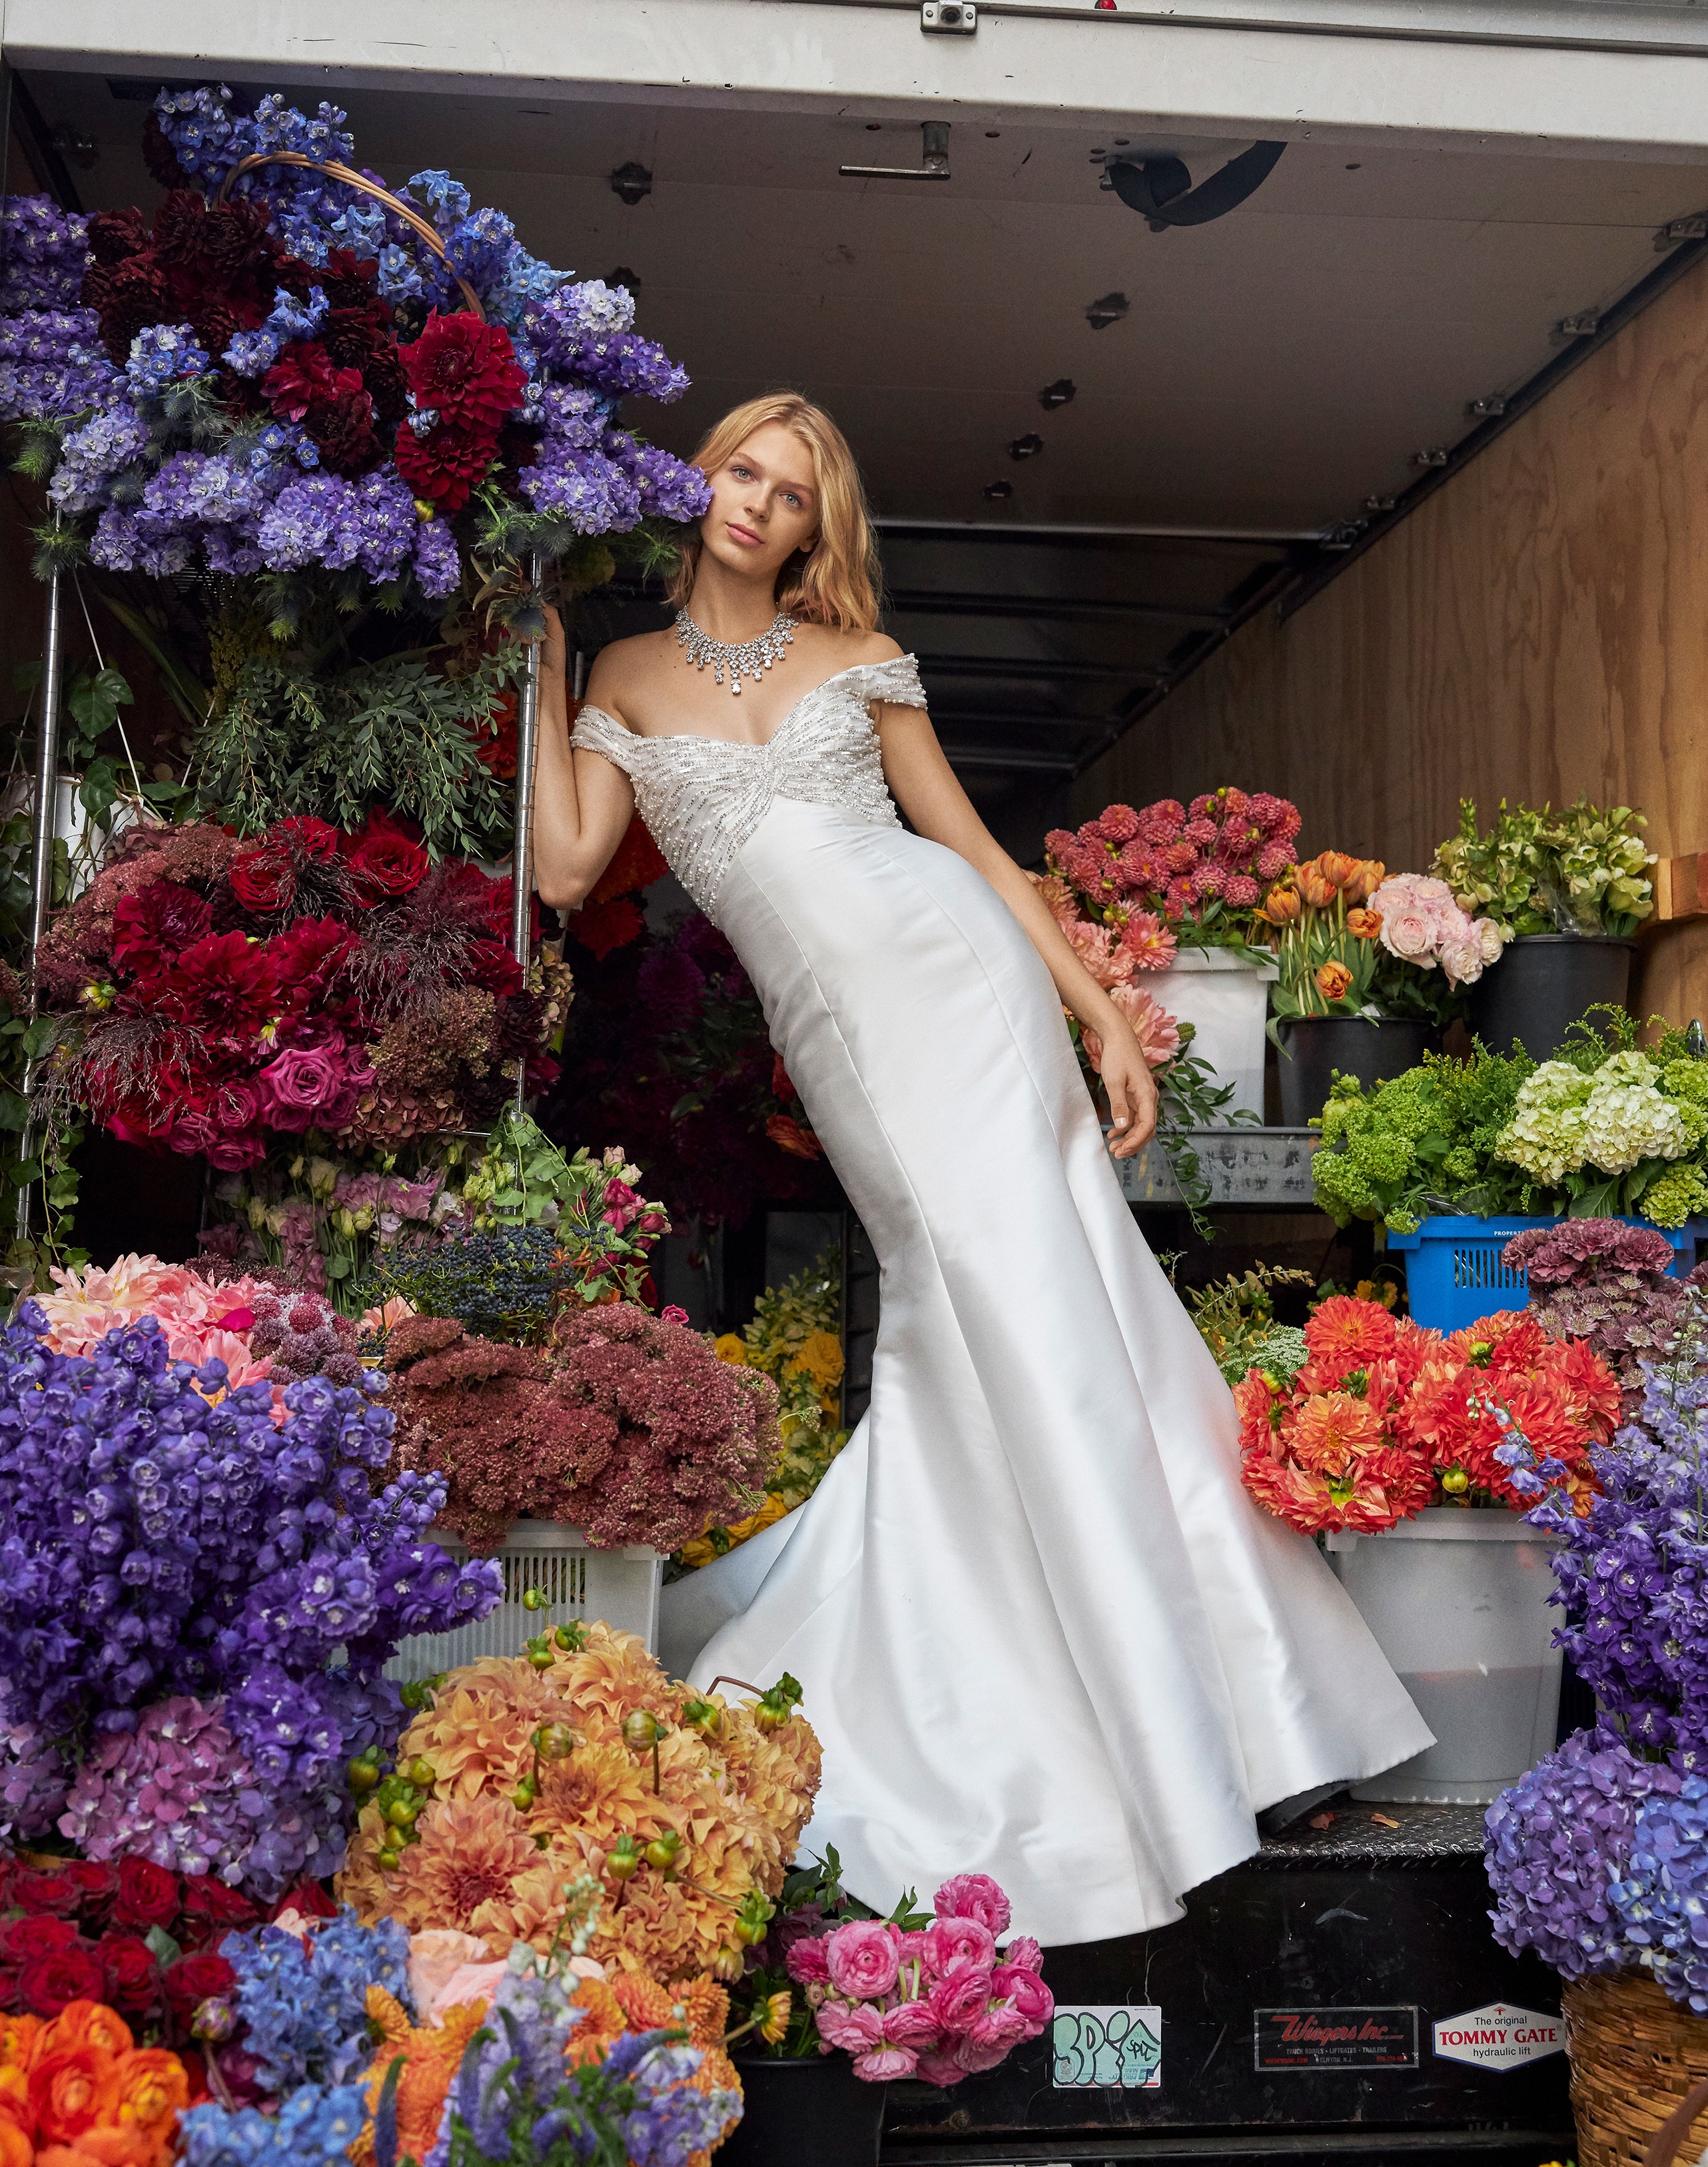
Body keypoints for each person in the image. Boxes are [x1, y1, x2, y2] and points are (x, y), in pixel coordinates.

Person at [528, 391, 1430, 1948]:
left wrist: (1104, 1019)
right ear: (700, 487)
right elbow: (556, 865)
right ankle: (1160, 1708)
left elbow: (975, 847)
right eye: (741, 472)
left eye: (791, 493)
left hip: (969, 995)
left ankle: (1220, 1723)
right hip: (850, 1038)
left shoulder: (854, 664)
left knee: (1059, 1310)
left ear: (819, 529)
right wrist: (536, 659)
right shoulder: (616, 673)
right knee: (978, 1317)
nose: (756, 504)